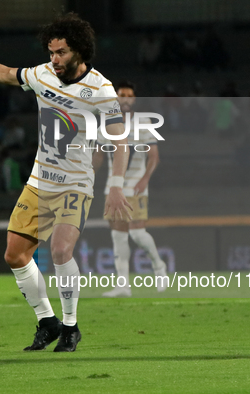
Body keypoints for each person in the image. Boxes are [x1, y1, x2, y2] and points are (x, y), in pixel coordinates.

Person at [0, 12, 132, 352]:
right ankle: (48, 321)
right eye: (51, 52)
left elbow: (120, 140)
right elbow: (4, 73)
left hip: (75, 183)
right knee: (15, 254)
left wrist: (115, 185)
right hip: (40, 181)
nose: (54, 59)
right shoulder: (42, 74)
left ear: (80, 51)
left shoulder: (100, 89)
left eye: (61, 53)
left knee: (59, 250)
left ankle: (71, 327)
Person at [92, 82, 167, 297]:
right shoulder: (106, 124)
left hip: (135, 188)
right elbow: (98, 155)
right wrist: (88, 177)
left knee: (137, 233)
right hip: (113, 188)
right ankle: (123, 285)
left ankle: (158, 266)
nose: (125, 98)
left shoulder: (143, 123)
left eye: (129, 95)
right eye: (122, 95)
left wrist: (144, 179)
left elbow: (154, 156)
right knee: (118, 236)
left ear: (134, 100)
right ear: (116, 98)